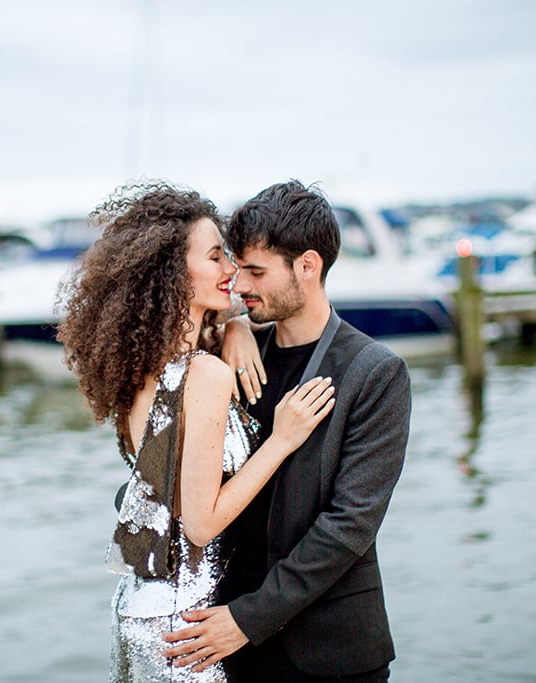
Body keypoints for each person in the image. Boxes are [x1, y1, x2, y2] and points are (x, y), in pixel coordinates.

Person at [55, 181, 336, 682]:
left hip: (142, 606)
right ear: (173, 274)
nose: (231, 270)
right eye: (215, 257)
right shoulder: (204, 375)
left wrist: (236, 326)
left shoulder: (135, 371)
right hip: (189, 624)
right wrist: (282, 439)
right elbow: (201, 525)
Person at [163, 180, 412, 682]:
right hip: (225, 644)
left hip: (330, 652)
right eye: (239, 269)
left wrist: (246, 620)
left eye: (256, 272)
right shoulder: (226, 358)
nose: (241, 286)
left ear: (308, 266)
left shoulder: (377, 373)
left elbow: (349, 527)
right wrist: (234, 328)